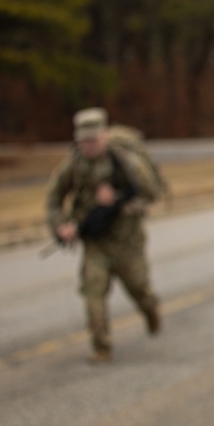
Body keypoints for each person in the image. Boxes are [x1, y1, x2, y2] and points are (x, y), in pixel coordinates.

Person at [46, 107, 163, 363]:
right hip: (95, 243)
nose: (89, 146)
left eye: (93, 139)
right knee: (93, 292)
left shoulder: (127, 164)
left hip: (126, 241)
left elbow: (151, 195)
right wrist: (60, 226)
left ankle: (151, 310)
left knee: (139, 289)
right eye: (84, 141)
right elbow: (54, 198)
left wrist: (119, 202)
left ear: (105, 136)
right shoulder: (74, 166)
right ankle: (102, 347)